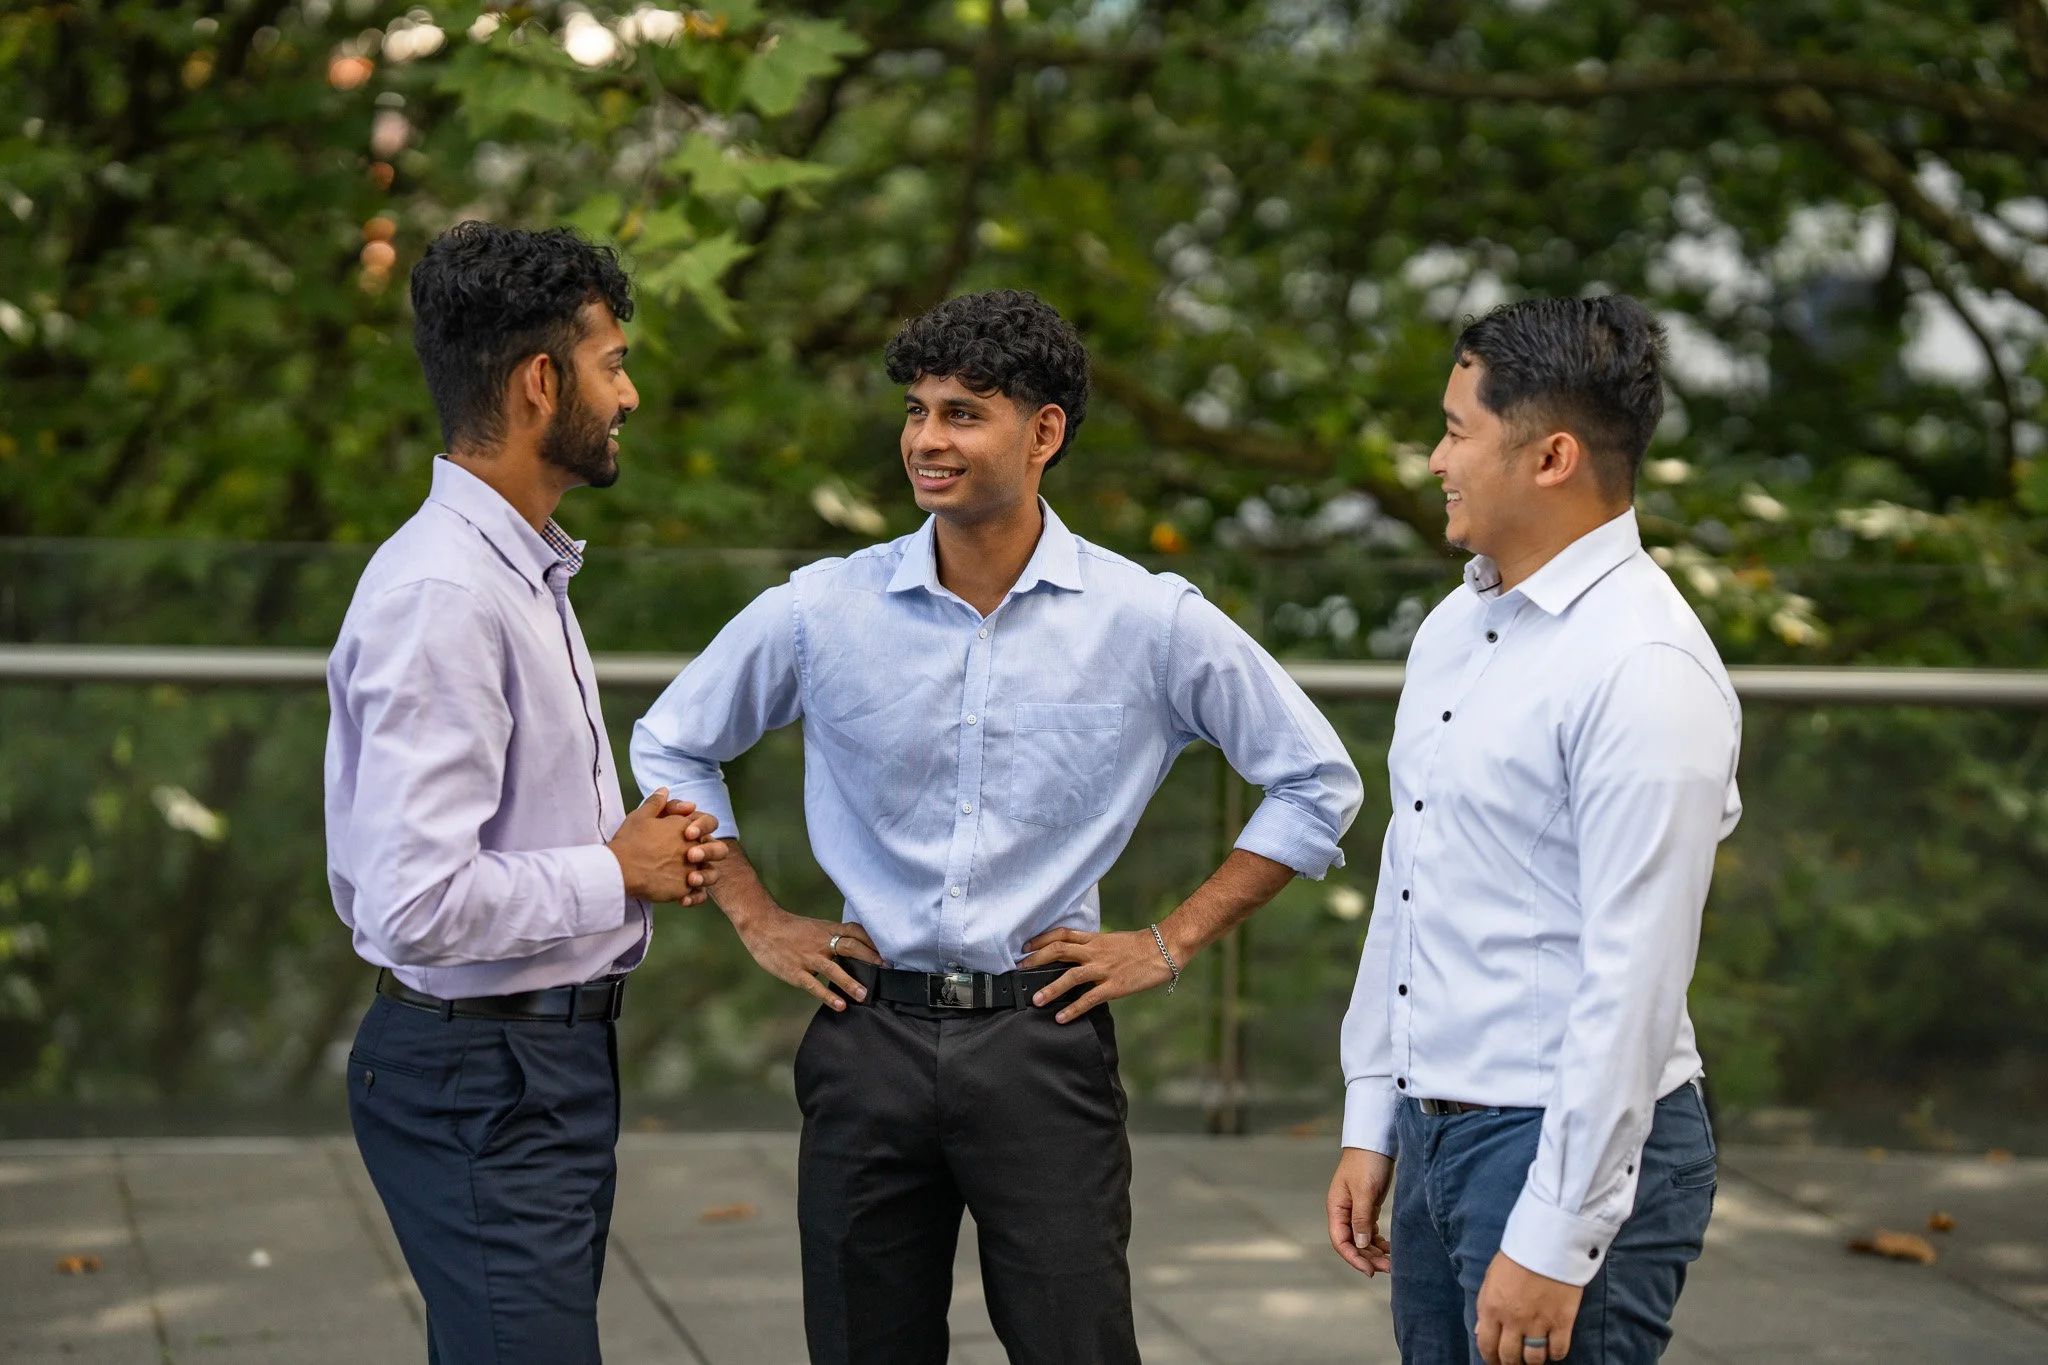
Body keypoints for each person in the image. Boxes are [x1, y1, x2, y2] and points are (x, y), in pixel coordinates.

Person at [631, 289, 1363, 1365]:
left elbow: (1314, 781)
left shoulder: (1145, 619)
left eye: (964, 413)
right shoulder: (819, 609)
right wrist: (754, 915)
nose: (927, 439)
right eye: (918, 410)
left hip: (1040, 1043)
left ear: (1044, 432)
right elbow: (671, 743)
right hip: (863, 1035)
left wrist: (1168, 943)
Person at [325, 221, 727, 1365]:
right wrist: (614, 871)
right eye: (613, 363)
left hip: (526, 1066)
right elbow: (411, 905)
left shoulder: (522, 566)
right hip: (482, 1075)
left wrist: (625, 849)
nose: (631, 394)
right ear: (541, 381)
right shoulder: (447, 595)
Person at [1325, 295, 1740, 1365]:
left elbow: (1631, 977)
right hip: (1433, 1131)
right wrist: (1374, 1111)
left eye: (1456, 431)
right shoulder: (1456, 626)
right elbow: (1407, 884)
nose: (1432, 459)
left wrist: (1557, 1234)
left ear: (1550, 456)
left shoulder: (1644, 668)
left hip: (1559, 1142)